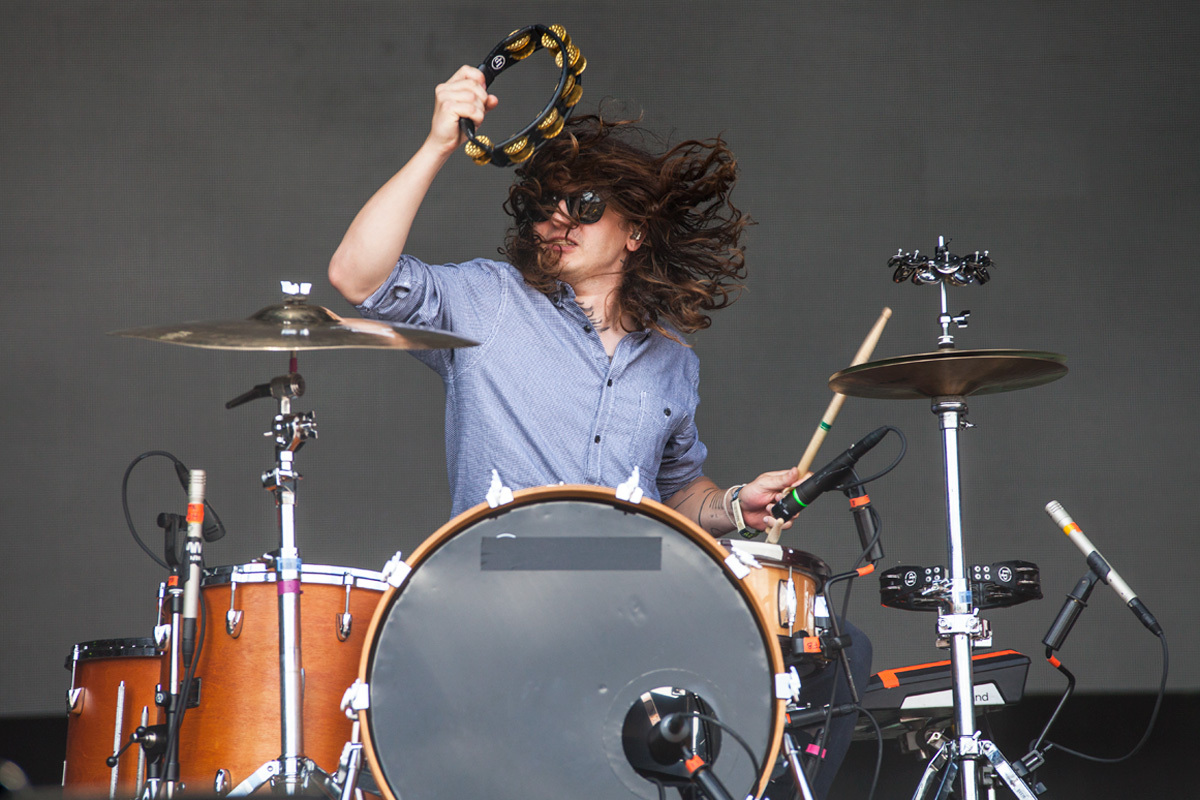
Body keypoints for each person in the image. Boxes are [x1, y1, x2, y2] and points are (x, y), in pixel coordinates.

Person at [329, 65, 869, 800]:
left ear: (635, 230)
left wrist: (734, 502)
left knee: (832, 654)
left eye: (583, 205)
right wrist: (435, 147)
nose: (558, 221)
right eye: (544, 209)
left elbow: (678, 488)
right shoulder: (489, 300)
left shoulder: (672, 361)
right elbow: (357, 278)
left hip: (630, 592)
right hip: (504, 583)